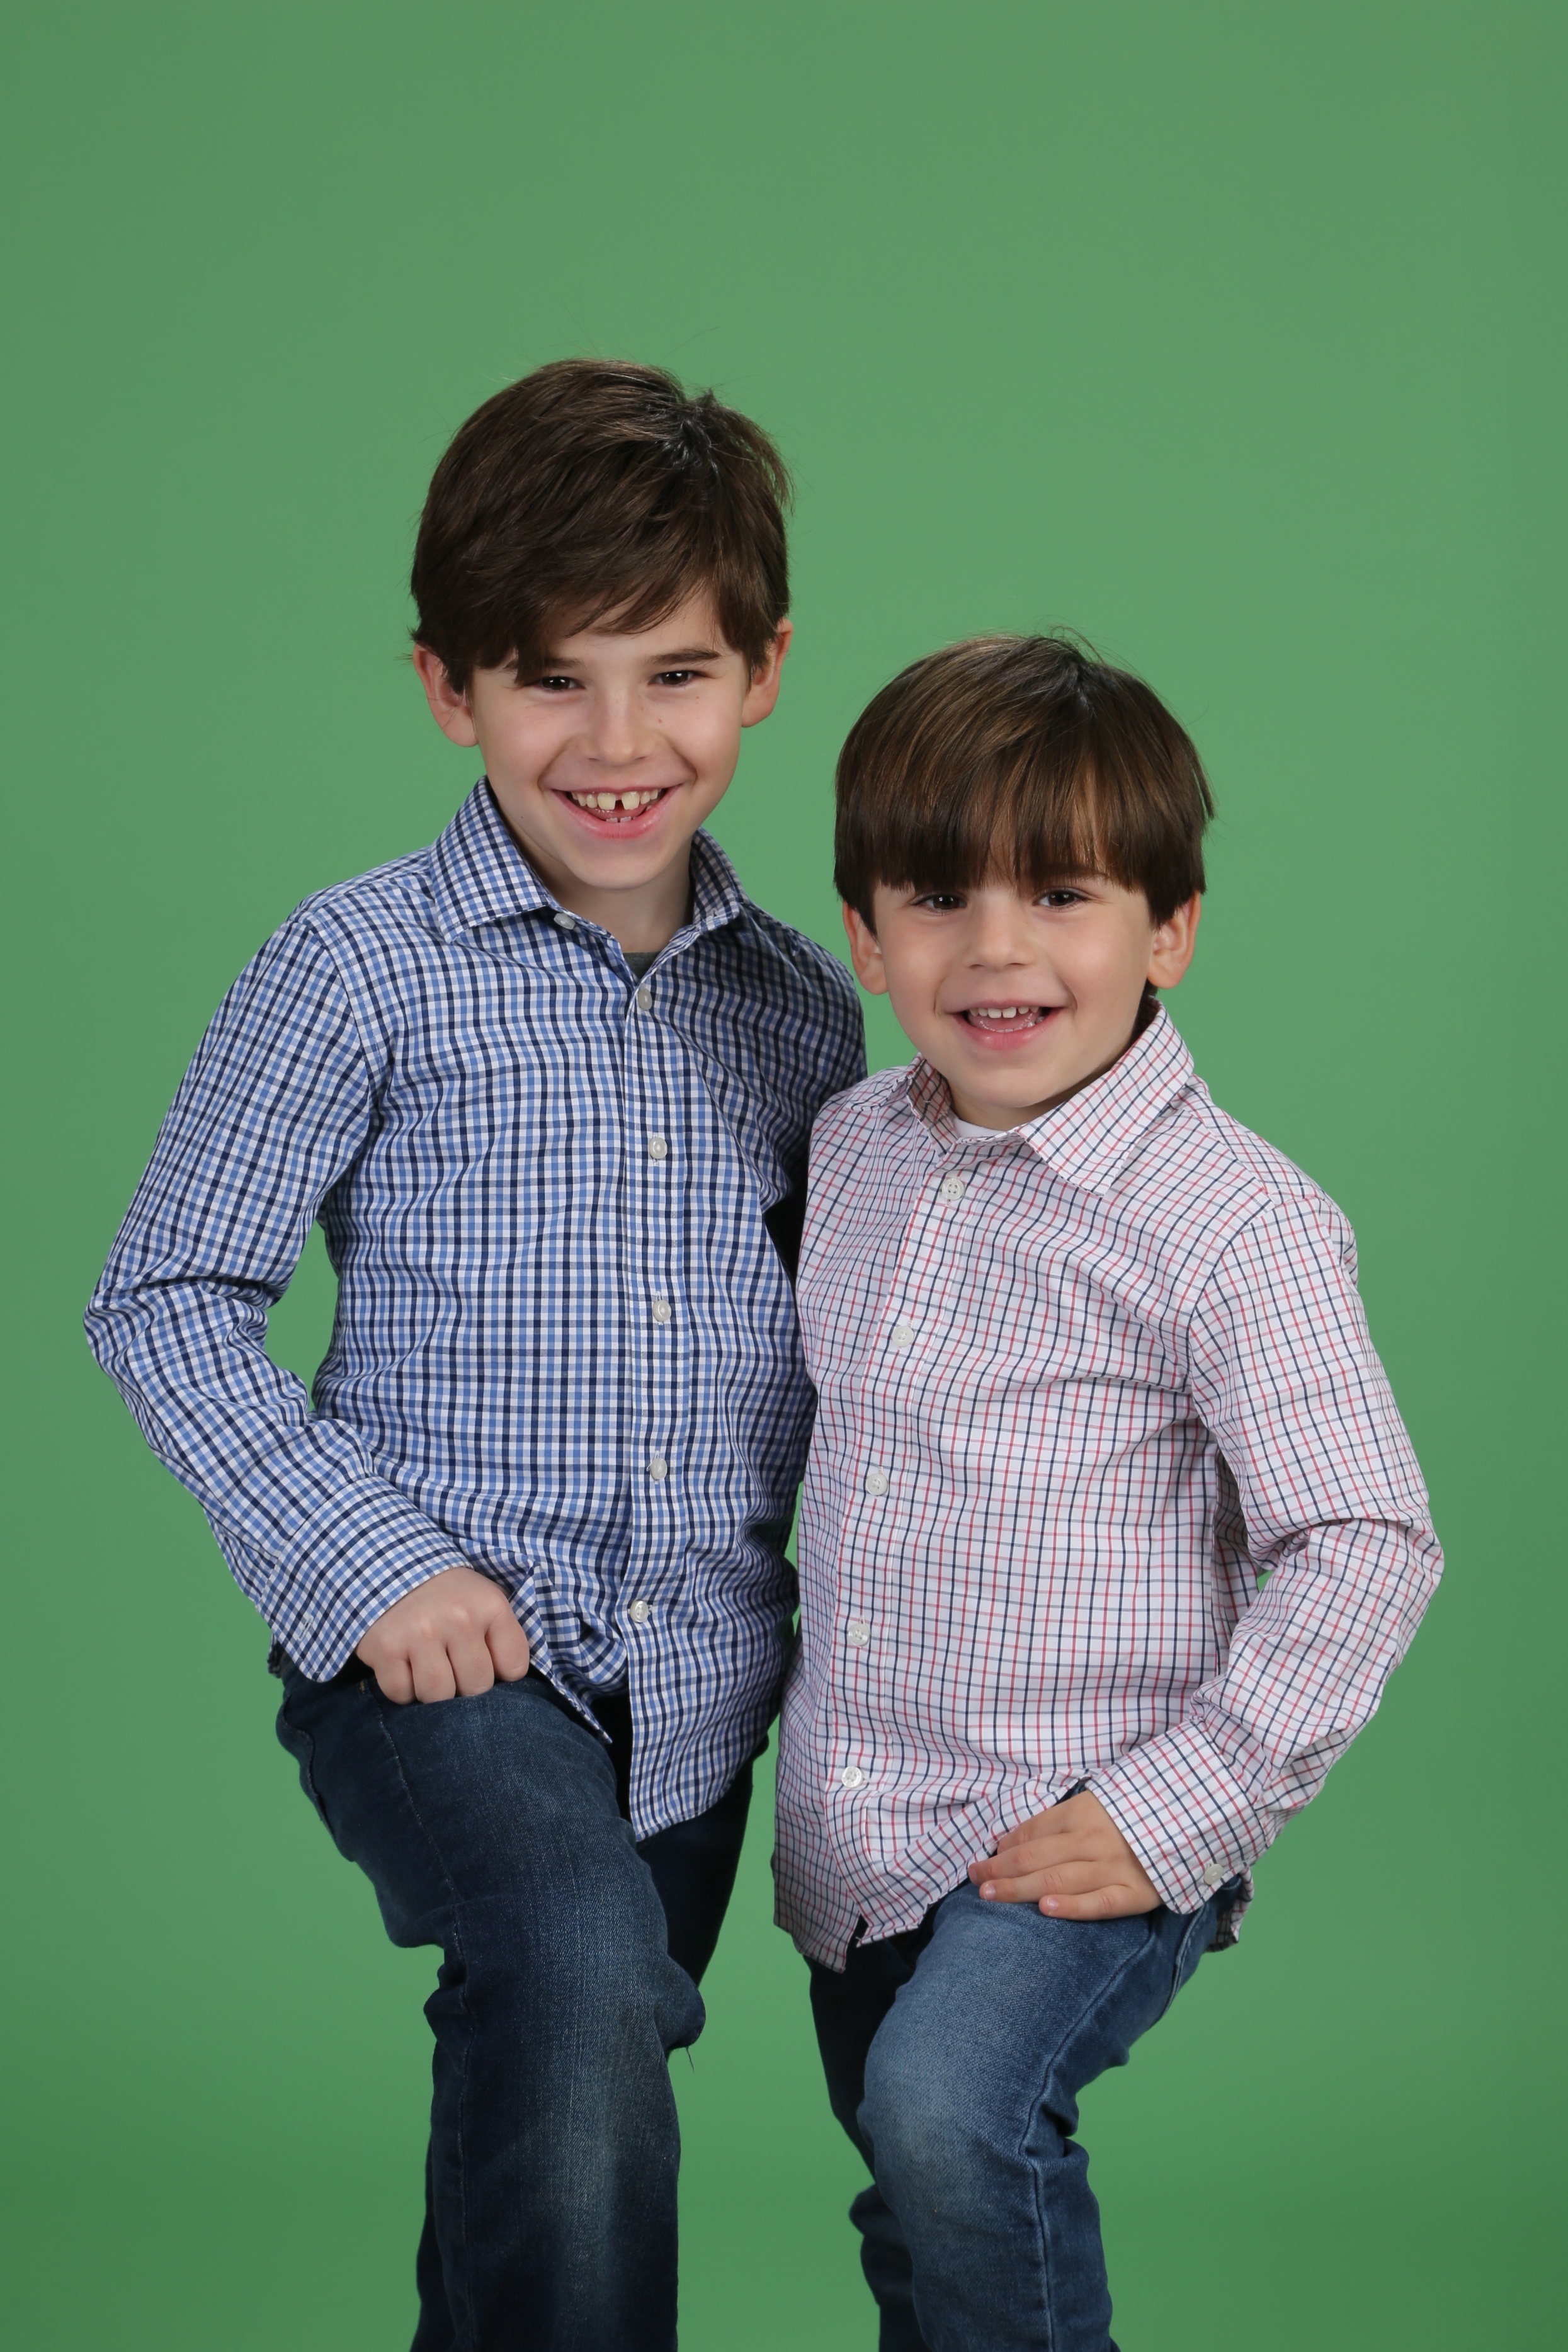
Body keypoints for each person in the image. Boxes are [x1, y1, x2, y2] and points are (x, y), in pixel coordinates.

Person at [84, 358, 864, 2352]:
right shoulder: (352, 964)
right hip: (441, 1659)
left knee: (554, 2091)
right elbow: (165, 1296)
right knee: (576, 1974)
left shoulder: (804, 1013)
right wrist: (373, 1572)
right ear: (449, 687)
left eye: (674, 676)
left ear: (764, 672)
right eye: (549, 681)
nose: (616, 744)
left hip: (696, 1681)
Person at [775, 634, 1441, 2352]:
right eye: (938, 898)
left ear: (1168, 932)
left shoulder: (1234, 1220)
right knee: (915, 2183)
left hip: (1080, 1829)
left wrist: (1176, 1810)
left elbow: (1364, 1540)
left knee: (948, 2113)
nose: (996, 949)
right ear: (864, 936)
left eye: (1061, 895)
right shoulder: (851, 1150)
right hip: (861, 1825)